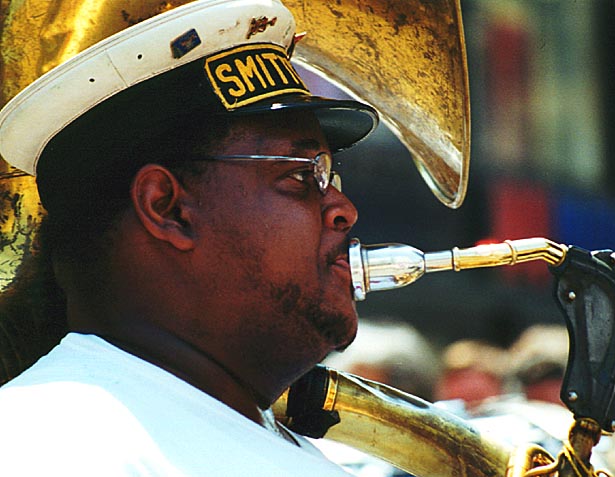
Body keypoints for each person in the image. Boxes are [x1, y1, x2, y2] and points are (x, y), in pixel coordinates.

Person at [0, 0, 379, 475]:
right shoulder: (54, 448)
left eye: (330, 178)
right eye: (303, 177)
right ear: (169, 208)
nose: (343, 210)